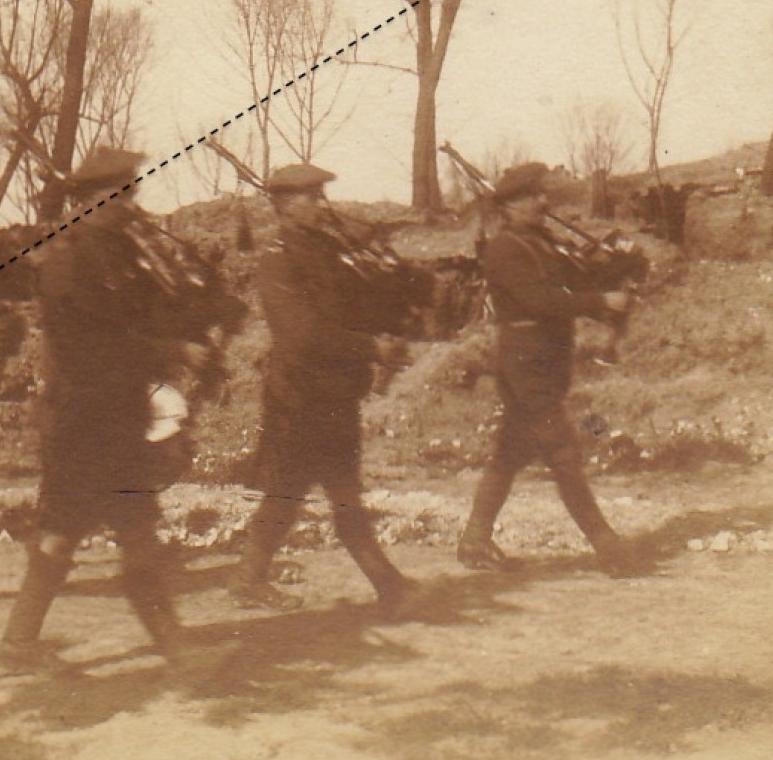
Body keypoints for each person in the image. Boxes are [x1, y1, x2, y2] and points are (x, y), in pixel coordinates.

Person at [0, 147, 204, 675]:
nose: (131, 202)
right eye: (122, 193)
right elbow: (86, 345)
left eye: (132, 190)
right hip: (81, 418)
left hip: (117, 414)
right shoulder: (68, 257)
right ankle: (172, 647)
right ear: (92, 198)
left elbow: (142, 317)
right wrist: (169, 350)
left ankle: (174, 646)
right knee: (71, 531)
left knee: (129, 530)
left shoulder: (119, 251)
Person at [230, 164, 419, 618]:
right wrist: (370, 345)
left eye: (320, 196)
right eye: (310, 198)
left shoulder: (327, 250)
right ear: (283, 204)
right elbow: (302, 334)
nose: (320, 204)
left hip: (332, 392)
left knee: (301, 492)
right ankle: (386, 582)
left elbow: (354, 304)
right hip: (299, 396)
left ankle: (250, 579)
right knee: (325, 491)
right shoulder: (276, 258)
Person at [456, 162, 640, 576]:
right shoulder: (505, 248)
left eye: (542, 194)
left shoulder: (542, 242)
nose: (544, 201)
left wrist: (617, 264)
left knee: (510, 453)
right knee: (563, 453)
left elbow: (575, 279)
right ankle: (608, 547)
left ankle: (474, 540)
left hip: (547, 358)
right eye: (533, 196)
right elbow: (539, 300)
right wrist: (599, 303)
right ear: (510, 206)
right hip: (525, 362)